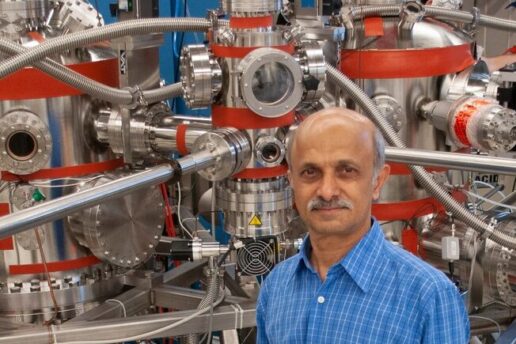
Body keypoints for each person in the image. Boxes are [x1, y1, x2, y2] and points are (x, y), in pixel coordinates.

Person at [256, 107, 470, 343]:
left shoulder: (428, 295)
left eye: (347, 171)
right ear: (292, 182)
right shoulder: (277, 285)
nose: (327, 191)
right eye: (310, 172)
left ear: (377, 181)